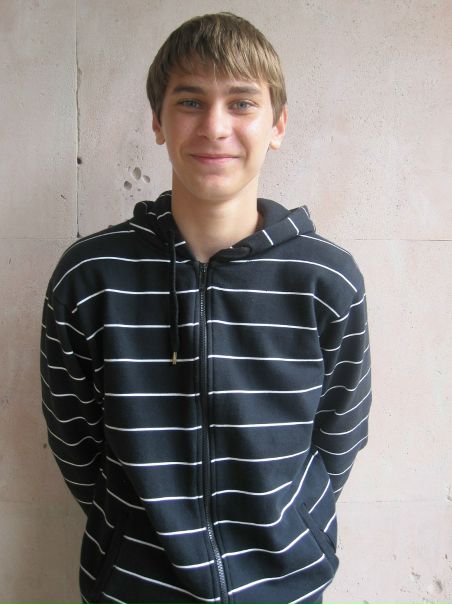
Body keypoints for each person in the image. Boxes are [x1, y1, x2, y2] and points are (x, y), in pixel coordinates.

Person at [41, 12, 371, 604]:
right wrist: (126, 539)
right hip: (132, 587)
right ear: (158, 121)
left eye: (242, 103)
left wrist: (298, 526)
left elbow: (340, 431)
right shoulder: (91, 278)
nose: (215, 127)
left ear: (278, 125)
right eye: (190, 101)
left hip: (284, 587)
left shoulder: (326, 280)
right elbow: (75, 440)